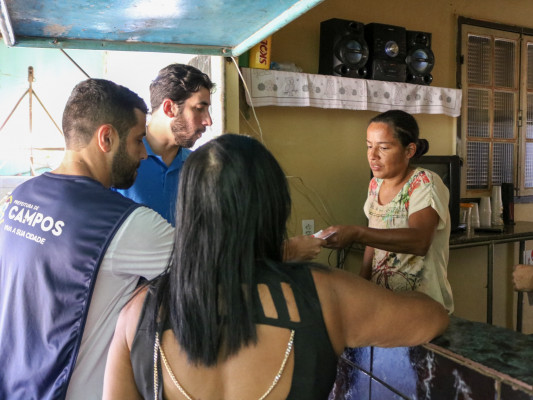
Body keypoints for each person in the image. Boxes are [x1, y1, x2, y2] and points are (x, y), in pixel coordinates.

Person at [102, 134, 449, 400]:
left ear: (189, 210)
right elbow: (433, 316)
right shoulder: (323, 293)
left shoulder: (137, 311)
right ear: (273, 207)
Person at [0, 79, 174, 400]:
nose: (143, 154)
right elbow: (211, 268)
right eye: (138, 140)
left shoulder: (19, 198)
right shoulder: (128, 223)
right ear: (106, 138)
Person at [115, 62, 323, 261]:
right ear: (169, 108)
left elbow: (217, 241)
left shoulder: (200, 167)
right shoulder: (119, 163)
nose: (208, 120)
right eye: (199, 108)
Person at [320, 110, 454, 313]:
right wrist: (363, 285)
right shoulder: (375, 184)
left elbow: (420, 241)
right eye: (369, 146)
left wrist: (356, 233)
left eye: (383, 147)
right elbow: (373, 238)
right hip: (384, 304)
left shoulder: (425, 183)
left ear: (409, 151)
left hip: (422, 308)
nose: (372, 155)